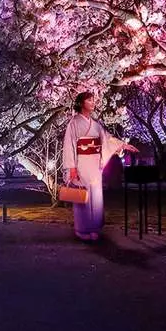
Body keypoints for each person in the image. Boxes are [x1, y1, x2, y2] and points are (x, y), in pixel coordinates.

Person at [62, 91, 138, 241]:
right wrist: (72, 168)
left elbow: (107, 139)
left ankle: (94, 228)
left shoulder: (96, 124)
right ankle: (81, 229)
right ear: (81, 103)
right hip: (81, 162)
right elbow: (69, 145)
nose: (93, 103)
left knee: (96, 197)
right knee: (82, 196)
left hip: (95, 163)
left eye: (93, 100)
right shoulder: (74, 123)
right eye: (89, 100)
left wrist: (123, 144)